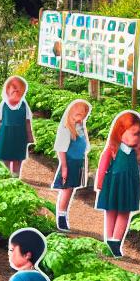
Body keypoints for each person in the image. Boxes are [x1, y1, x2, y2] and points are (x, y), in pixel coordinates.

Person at [94, 110, 140, 258]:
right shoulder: (113, 149)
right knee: (111, 210)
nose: (136, 138)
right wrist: (99, 182)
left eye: (138, 134)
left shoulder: (137, 154)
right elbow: (103, 163)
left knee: (124, 212)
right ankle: (109, 240)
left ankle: (115, 242)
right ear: (121, 132)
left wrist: (138, 189)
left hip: (129, 185)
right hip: (113, 182)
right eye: (133, 133)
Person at [53, 99, 91, 232]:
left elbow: (85, 145)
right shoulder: (65, 128)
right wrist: (64, 168)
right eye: (79, 115)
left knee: (70, 189)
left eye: (84, 115)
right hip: (69, 162)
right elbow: (61, 149)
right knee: (67, 190)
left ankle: (63, 216)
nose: (82, 118)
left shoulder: (79, 126)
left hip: (77, 162)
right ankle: (61, 219)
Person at [0, 76, 34, 177]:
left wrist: (30, 136)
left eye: (20, 90)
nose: (17, 92)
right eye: (14, 89)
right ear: (7, 90)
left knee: (17, 159)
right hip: (5, 137)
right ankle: (7, 176)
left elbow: (27, 122)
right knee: (5, 158)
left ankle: (15, 177)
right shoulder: (3, 105)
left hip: (19, 136)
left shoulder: (24, 105)